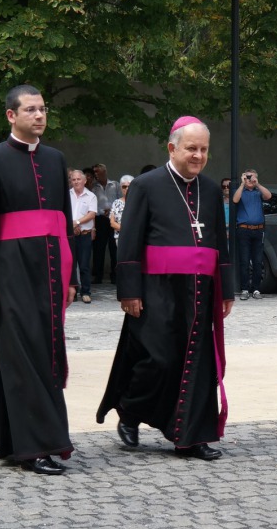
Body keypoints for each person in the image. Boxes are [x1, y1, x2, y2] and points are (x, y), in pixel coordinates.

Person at [96, 116, 234, 462]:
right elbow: (129, 241)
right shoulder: (146, 185)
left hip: (200, 289)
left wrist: (227, 290)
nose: (198, 155)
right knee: (156, 358)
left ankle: (193, 435)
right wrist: (129, 291)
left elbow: (220, 241)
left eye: (203, 149)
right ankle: (129, 410)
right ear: (172, 148)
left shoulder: (212, 189)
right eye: (191, 148)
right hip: (157, 287)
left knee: (198, 362)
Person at [0, 84, 78, 476]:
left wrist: (71, 277)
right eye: (31, 110)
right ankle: (34, 447)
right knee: (28, 355)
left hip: (51, 269)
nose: (40, 116)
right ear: (11, 116)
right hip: (11, 271)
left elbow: (63, 223)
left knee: (27, 351)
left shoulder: (55, 159)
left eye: (43, 109)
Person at [233, 168, 271, 300]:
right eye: (248, 177)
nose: (250, 180)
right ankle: (244, 289)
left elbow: (268, 196)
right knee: (244, 260)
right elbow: (235, 199)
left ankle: (256, 289)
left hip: (258, 230)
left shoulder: (258, 192)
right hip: (244, 229)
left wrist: (257, 183)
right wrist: (242, 183)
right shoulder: (241, 191)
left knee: (258, 260)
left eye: (252, 177)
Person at [69, 169, 98, 304]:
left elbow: (92, 214)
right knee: (70, 264)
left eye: (78, 179)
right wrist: (72, 226)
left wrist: (78, 223)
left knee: (84, 264)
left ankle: (85, 292)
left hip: (84, 235)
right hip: (69, 234)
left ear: (85, 180)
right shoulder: (67, 195)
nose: (76, 182)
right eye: (73, 179)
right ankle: (72, 292)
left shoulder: (91, 196)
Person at [91, 163, 119, 284]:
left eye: (98, 171)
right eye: (94, 172)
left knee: (114, 247)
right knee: (99, 248)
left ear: (104, 171)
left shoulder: (115, 185)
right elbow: (92, 204)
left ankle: (115, 275)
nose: (96, 174)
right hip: (100, 219)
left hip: (113, 218)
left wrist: (112, 211)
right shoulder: (93, 187)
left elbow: (119, 201)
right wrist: (102, 212)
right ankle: (98, 275)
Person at [109, 174, 133, 245]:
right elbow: (112, 223)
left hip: (134, 238)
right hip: (120, 238)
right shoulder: (116, 203)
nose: (127, 189)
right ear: (120, 188)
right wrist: (126, 230)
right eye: (124, 187)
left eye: (129, 186)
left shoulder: (139, 202)